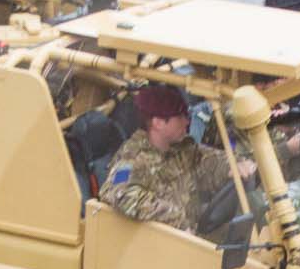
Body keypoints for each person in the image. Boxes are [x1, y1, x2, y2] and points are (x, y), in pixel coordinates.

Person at [102, 85, 251, 231]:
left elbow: (207, 160)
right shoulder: (131, 158)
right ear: (158, 123)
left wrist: (233, 165)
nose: (186, 122)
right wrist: (174, 217)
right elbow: (118, 192)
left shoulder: (181, 148)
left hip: (191, 236)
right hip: (160, 246)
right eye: (179, 116)